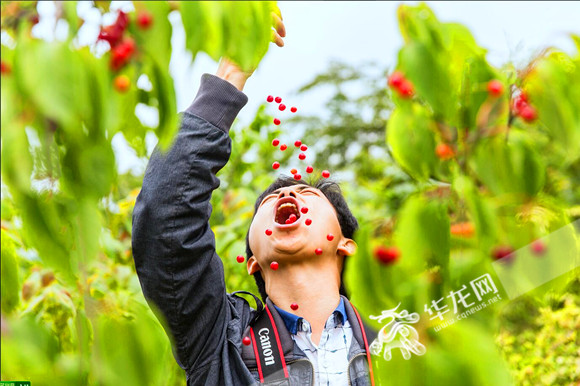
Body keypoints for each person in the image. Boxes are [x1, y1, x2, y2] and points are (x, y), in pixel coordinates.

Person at [132, 12, 376, 386]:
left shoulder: (399, 343)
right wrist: (232, 72)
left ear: (346, 244)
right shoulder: (219, 342)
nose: (289, 193)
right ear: (252, 263)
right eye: (269, 203)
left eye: (307, 192)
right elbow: (166, 217)